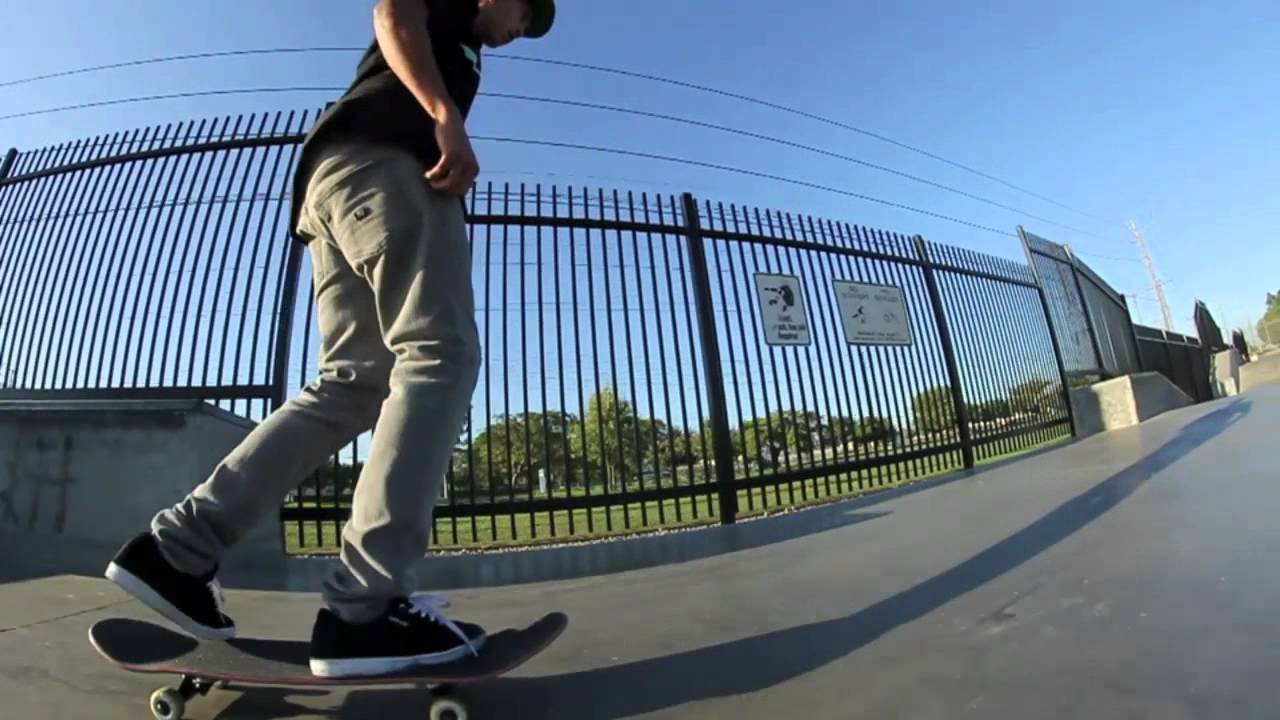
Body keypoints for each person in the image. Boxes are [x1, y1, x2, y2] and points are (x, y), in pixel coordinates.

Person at [103, 0, 556, 679]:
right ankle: (364, 610)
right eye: (524, 17)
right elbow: (392, 10)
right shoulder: (450, 14)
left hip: (334, 183)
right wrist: (444, 115)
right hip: (387, 166)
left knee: (352, 383)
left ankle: (176, 551)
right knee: (440, 355)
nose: (518, 35)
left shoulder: (466, 46)